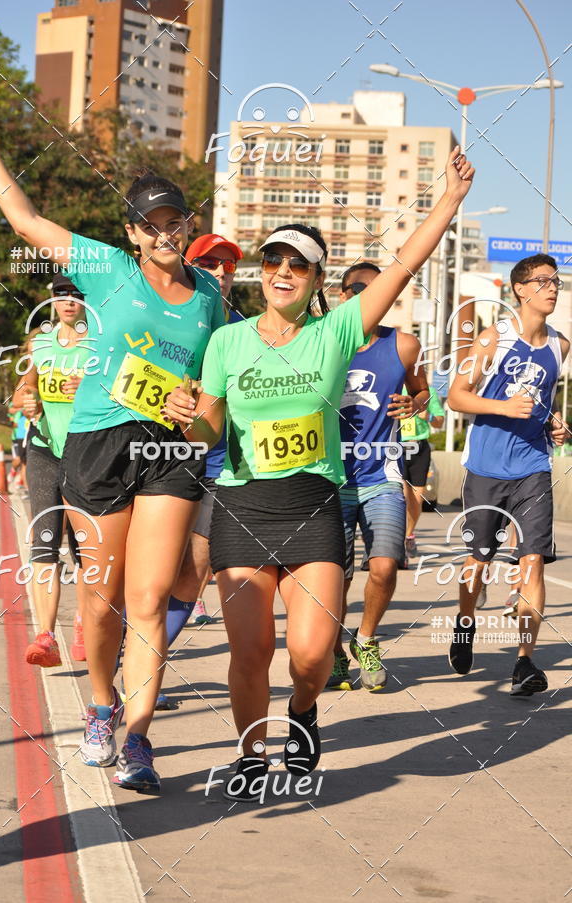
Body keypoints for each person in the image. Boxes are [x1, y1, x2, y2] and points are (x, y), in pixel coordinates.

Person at [166, 146, 474, 801]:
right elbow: (208, 431)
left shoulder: (336, 333)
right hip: (243, 509)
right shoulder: (228, 340)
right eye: (273, 260)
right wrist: (185, 412)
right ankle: (251, 753)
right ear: (261, 271)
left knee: (309, 655)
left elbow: (403, 264)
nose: (282, 271)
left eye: (296, 263)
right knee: (250, 651)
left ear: (316, 279)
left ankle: (303, 713)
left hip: (313, 511)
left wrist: (447, 200)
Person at [0, 83, 225, 793]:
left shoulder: (209, 296)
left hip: (170, 450)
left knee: (148, 597)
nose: (168, 234)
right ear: (135, 234)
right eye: (155, 225)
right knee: (102, 598)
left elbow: (213, 405)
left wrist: (195, 412)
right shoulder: (108, 270)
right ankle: (101, 705)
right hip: (98, 443)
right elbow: (24, 221)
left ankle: (139, 737)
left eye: (177, 222)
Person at [448, 253, 569, 695]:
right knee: (477, 561)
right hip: (486, 468)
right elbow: (457, 398)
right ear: (520, 290)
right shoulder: (491, 340)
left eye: (556, 281)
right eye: (543, 281)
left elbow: (540, 400)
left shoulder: (560, 346)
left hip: (533, 467)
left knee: (532, 560)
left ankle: (524, 664)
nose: (553, 288)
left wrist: (554, 422)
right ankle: (465, 626)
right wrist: (502, 407)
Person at [327, 262, 429, 692]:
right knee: (336, 577)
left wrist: (415, 404)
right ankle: (333, 650)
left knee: (385, 567)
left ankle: (365, 639)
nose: (367, 295)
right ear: (342, 295)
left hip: (381, 474)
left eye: (375, 289)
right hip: (331, 477)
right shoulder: (324, 343)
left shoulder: (404, 344)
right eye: (357, 289)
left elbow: (422, 390)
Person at [12, 273, 89, 667]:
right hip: (43, 450)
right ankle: (45, 636)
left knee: (85, 548)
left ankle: (83, 621)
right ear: (52, 299)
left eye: (76, 294)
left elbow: (122, 392)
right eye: (61, 294)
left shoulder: (102, 342)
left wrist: (93, 388)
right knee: (44, 541)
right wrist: (28, 399)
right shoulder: (39, 341)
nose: (69, 300)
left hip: (88, 453)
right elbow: (24, 389)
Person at [170, 233, 244, 633]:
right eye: (209, 263)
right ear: (188, 266)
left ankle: (145, 669)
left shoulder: (246, 331)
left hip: (216, 467)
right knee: (150, 570)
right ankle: (113, 658)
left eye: (228, 266)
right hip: (158, 461)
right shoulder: (164, 315)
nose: (220, 272)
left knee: (193, 571)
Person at [401, 384, 445, 560]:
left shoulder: (429, 392)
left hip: (419, 448)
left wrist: (429, 416)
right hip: (397, 447)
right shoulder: (393, 387)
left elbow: (440, 421)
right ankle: (396, 538)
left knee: (416, 499)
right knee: (402, 495)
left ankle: (408, 536)